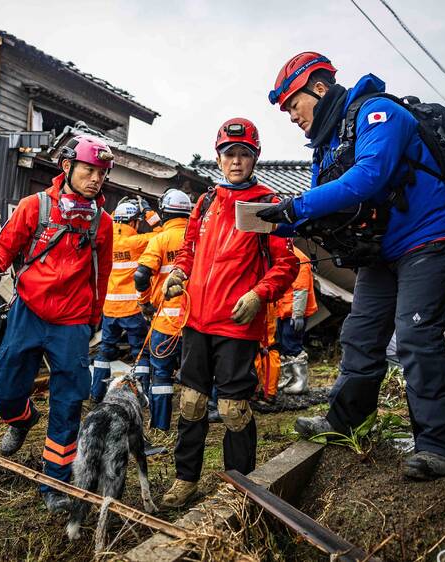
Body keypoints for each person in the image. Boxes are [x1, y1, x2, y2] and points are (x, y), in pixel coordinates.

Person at [259, 52, 445, 480]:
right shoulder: (325, 147)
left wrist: (294, 206)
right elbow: (320, 207)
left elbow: (369, 176)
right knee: (360, 333)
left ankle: (441, 446)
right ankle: (345, 423)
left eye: (292, 105)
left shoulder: (378, 112)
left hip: (428, 238)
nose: (292, 117)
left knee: (415, 336)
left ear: (317, 88)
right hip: (382, 252)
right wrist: (273, 224)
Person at [0, 134, 114, 512]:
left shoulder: (103, 223)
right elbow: (5, 245)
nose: (96, 178)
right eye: (88, 170)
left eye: (101, 173)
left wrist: (94, 319)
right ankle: (22, 418)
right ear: (67, 168)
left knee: (69, 402)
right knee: (5, 386)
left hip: (72, 322)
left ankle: (55, 484)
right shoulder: (36, 207)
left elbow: (103, 274)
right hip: (29, 311)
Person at [160, 118, 299, 507]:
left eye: (244, 154)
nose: (236, 161)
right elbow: (187, 251)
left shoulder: (266, 204)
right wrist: (178, 274)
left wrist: (259, 294)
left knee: (234, 409)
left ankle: (240, 487)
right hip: (196, 321)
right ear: (218, 157)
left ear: (254, 157)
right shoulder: (204, 202)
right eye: (229, 154)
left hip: (237, 324)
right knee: (190, 402)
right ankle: (185, 480)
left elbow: (285, 265)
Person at [91, 197, 161, 401]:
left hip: (110, 310)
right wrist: (149, 212)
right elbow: (163, 234)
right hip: (132, 310)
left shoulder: (104, 239)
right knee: (140, 352)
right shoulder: (137, 242)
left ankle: (96, 394)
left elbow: (114, 225)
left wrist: (114, 214)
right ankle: (142, 397)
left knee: (105, 351)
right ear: (134, 222)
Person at [134, 188, 193, 430]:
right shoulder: (198, 237)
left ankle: (160, 427)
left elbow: (141, 275)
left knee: (161, 376)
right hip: (193, 322)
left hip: (164, 323)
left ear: (165, 211)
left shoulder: (160, 239)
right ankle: (191, 427)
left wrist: (144, 302)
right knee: (195, 378)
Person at [275, 245, 318, 395]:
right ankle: (289, 378)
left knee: (292, 344)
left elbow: (301, 288)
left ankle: (301, 382)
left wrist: (298, 314)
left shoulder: (298, 258)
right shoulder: (282, 253)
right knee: (283, 344)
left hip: (294, 312)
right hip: (283, 310)